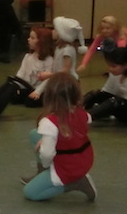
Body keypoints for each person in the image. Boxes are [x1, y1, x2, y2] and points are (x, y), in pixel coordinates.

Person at [23, 73, 96, 201]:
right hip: (83, 159)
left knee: (30, 192)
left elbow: (46, 155)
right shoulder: (84, 114)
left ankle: (75, 183)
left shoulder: (49, 122)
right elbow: (75, 135)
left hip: (67, 168)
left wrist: (46, 165)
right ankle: (44, 174)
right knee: (35, 134)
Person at [4, 27, 55, 106]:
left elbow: (47, 80)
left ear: (41, 41)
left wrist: (37, 92)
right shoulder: (27, 57)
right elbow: (21, 73)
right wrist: (17, 86)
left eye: (32, 38)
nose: (28, 40)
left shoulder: (49, 60)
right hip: (28, 87)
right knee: (12, 96)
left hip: (40, 89)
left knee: (31, 102)